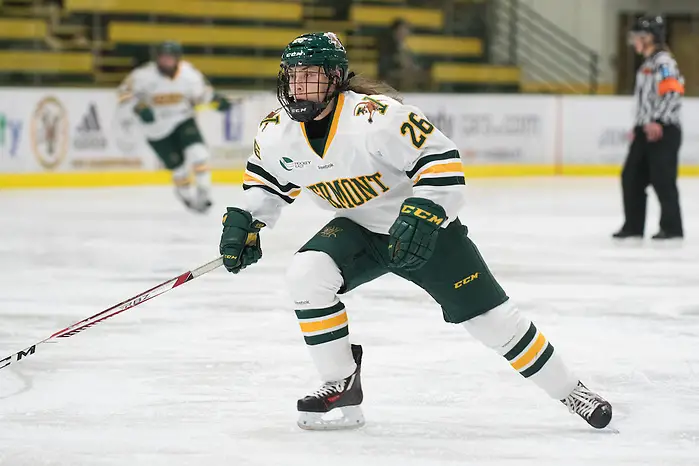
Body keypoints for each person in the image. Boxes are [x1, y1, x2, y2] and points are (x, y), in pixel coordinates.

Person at [219, 32, 613, 431]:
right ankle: (341, 382)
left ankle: (572, 391)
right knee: (306, 273)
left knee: (492, 322)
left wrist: (426, 209)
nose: (299, 87)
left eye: (312, 76)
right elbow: (265, 185)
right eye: (293, 76)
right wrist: (246, 223)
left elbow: (441, 159)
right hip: (359, 228)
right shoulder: (275, 132)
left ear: (336, 78)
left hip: (423, 230)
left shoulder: (376, 117)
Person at [117, 41, 231, 213]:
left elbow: (202, 95)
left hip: (182, 119)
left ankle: (204, 192)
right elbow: (124, 93)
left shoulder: (189, 74)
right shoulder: (143, 75)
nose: (166, 62)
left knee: (198, 153)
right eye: (163, 58)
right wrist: (140, 108)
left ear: (177, 58)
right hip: (155, 130)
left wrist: (217, 101)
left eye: (170, 58)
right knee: (178, 168)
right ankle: (186, 196)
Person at [614, 16, 684, 240]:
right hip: (646, 130)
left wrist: (659, 121)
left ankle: (672, 228)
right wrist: (639, 125)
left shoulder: (664, 63)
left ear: (650, 38)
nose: (635, 41)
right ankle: (633, 226)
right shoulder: (647, 64)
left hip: (663, 131)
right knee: (631, 177)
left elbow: (673, 92)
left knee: (663, 180)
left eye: (639, 37)